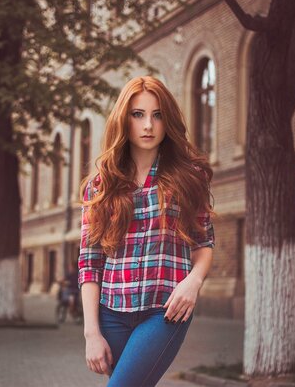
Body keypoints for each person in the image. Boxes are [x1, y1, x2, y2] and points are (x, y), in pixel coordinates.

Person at [78, 75, 216, 386]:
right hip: (112, 312)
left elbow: (204, 242)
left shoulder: (189, 177)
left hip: (166, 311)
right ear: (123, 119)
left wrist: (193, 282)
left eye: (157, 115)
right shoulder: (101, 184)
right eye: (138, 115)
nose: (148, 126)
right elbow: (90, 262)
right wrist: (91, 332)